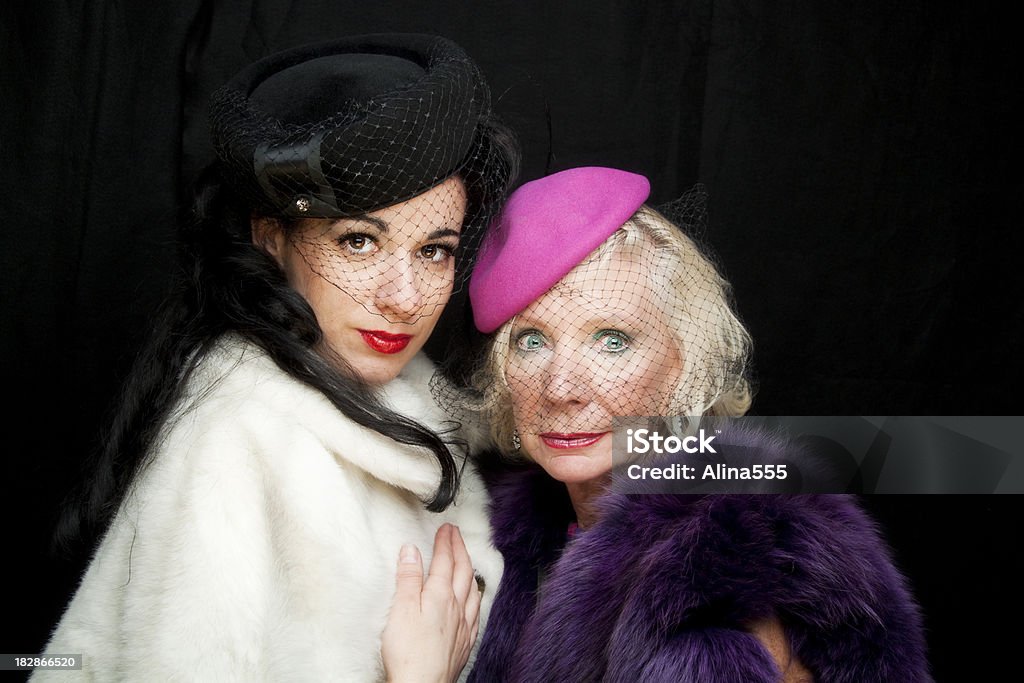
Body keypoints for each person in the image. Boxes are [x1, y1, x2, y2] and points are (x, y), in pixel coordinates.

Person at [34, 34, 519, 681]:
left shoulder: (413, 404)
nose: (404, 298)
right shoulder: (234, 447)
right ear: (271, 238)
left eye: (434, 249)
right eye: (358, 242)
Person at [433, 166, 931, 681]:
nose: (561, 389)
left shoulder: (719, 561)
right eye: (532, 341)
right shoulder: (502, 534)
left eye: (612, 340)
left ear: (685, 369)